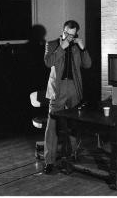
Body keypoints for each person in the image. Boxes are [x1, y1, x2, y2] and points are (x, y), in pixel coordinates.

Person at [43, 20, 92, 174]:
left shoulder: (78, 46)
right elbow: (48, 62)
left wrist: (83, 48)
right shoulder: (51, 44)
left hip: (73, 88)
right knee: (52, 126)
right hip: (58, 88)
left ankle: (71, 156)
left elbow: (88, 65)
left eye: (73, 34)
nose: (70, 37)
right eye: (67, 34)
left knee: (73, 124)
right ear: (62, 30)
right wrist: (61, 48)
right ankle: (49, 161)